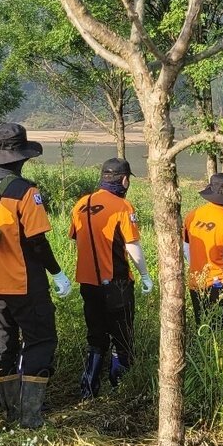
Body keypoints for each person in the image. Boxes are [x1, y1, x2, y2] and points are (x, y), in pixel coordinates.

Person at [0, 123, 69, 429]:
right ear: (21, 156)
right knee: (40, 340)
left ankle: (10, 412)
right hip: (23, 281)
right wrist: (57, 272)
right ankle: (30, 416)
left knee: (0, 344)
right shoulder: (24, 191)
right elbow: (37, 242)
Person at [68, 158, 152, 399]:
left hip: (87, 282)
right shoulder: (123, 207)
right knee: (122, 335)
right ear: (124, 180)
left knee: (95, 335)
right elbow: (132, 246)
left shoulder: (81, 204)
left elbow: (76, 239)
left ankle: (88, 388)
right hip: (116, 282)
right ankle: (121, 387)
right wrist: (145, 275)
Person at [183, 173, 223, 321]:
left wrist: (197, 268)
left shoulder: (192, 215)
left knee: (202, 324)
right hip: (219, 284)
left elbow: (186, 248)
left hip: (195, 282)